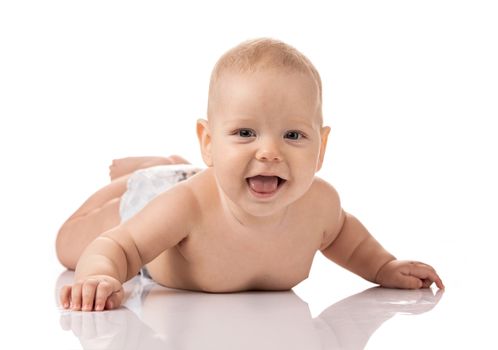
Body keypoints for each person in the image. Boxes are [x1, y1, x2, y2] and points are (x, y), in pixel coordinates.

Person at [57, 38, 444, 312]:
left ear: (321, 148)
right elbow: (120, 247)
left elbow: (350, 240)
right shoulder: (185, 206)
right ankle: (148, 172)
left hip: (206, 179)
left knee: (193, 178)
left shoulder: (320, 206)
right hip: (151, 201)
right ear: (209, 142)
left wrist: (384, 267)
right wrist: (101, 276)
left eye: (293, 135)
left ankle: (172, 163)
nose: (269, 152)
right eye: (245, 133)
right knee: (67, 244)